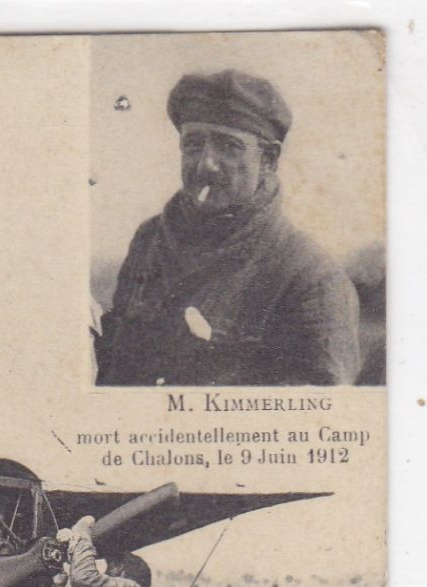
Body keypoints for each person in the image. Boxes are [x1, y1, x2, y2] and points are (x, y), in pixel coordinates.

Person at [95, 71, 362, 387]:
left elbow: (317, 421)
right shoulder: (149, 240)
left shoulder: (310, 279)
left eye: (229, 146)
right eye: (193, 145)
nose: (206, 164)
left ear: (269, 160)